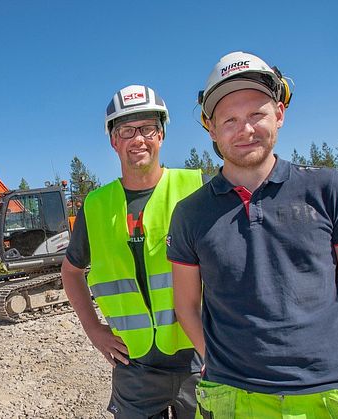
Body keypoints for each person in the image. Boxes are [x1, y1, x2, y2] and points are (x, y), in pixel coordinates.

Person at [167, 51, 338, 417]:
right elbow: (186, 305)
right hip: (237, 397)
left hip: (335, 395)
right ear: (211, 128)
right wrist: (215, 362)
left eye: (257, 114)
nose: (245, 130)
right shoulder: (191, 213)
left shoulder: (327, 187)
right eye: (230, 120)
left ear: (279, 114)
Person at [61, 84, 204, 419]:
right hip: (134, 367)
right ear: (114, 141)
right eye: (127, 130)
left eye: (148, 128)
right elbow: (71, 271)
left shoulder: (195, 189)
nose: (138, 139)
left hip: (198, 360)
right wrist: (94, 330)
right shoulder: (96, 206)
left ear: (162, 135)